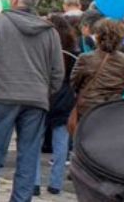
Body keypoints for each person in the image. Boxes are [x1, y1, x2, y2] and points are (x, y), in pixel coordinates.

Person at [0, 0, 63, 202]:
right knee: (28, 155)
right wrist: (43, 91)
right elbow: (58, 72)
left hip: (3, 95)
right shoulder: (50, 32)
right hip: (36, 99)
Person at [35, 14, 79, 196]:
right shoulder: (72, 51)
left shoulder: (42, 47)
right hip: (65, 98)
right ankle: (55, 183)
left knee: (34, 141)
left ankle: (34, 181)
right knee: (61, 144)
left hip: (43, 95)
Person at [70, 18, 124, 119]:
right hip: (112, 108)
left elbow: (74, 83)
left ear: (98, 36)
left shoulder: (86, 58)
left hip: (88, 109)